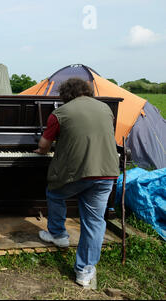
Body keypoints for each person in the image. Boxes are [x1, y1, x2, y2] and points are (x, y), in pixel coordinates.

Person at [34, 78, 120, 289]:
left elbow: (44, 146)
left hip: (77, 173)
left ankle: (58, 234)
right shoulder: (106, 109)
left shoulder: (60, 113)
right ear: (86, 92)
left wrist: (41, 151)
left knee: (54, 192)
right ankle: (84, 271)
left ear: (65, 95)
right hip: (106, 172)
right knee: (94, 222)